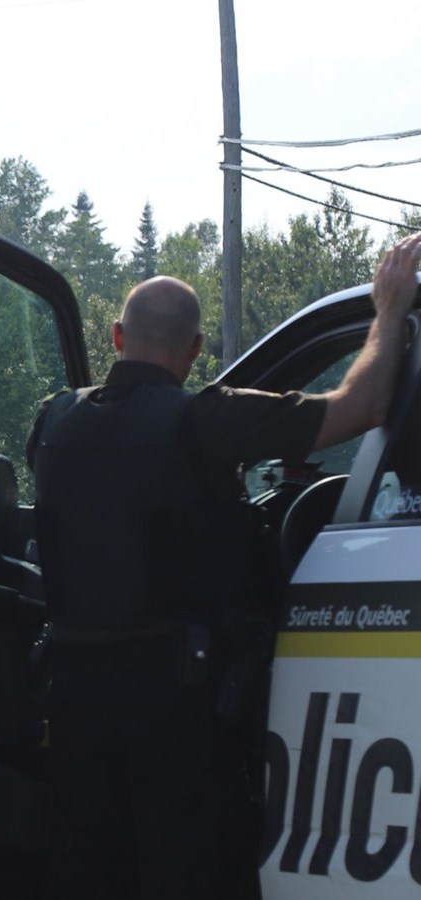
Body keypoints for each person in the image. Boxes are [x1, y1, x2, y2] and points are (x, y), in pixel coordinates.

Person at [25, 233, 421, 900]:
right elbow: (361, 407)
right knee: (185, 870)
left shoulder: (53, 421)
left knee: (93, 867)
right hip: (173, 701)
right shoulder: (207, 421)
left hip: (72, 701)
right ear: (196, 349)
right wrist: (387, 313)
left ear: (117, 337)